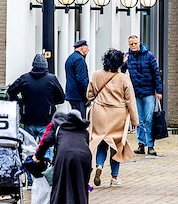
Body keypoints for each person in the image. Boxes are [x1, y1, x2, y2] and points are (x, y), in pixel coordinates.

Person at [33, 108, 92, 204]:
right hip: (84, 158)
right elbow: (86, 143)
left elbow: (45, 141)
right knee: (80, 193)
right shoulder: (82, 128)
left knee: (59, 193)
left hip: (64, 157)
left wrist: (37, 157)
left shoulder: (56, 124)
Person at [86, 49, 139, 188]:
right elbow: (130, 101)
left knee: (101, 141)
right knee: (116, 145)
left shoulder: (96, 75)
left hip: (99, 113)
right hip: (117, 114)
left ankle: (99, 166)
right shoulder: (123, 78)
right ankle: (114, 177)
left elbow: (89, 95)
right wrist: (135, 121)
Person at [6, 53, 66, 141]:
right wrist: (50, 102)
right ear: (46, 65)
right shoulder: (52, 79)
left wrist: (21, 102)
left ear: (33, 65)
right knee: (46, 148)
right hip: (46, 118)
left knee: (28, 148)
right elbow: (61, 98)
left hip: (28, 118)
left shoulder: (25, 78)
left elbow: (10, 92)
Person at [121, 35, 163, 156]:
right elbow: (121, 73)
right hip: (135, 93)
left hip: (149, 92)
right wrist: (123, 63)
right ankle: (141, 144)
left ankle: (150, 145)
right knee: (137, 120)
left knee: (149, 119)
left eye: (135, 43)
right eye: (131, 44)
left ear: (139, 43)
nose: (133, 46)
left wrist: (158, 91)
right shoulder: (127, 57)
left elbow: (156, 74)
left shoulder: (149, 55)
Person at [64, 39, 90, 117]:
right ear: (83, 48)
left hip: (72, 94)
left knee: (74, 118)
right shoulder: (79, 59)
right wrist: (86, 95)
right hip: (79, 96)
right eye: (87, 48)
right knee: (81, 120)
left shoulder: (70, 58)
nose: (88, 50)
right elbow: (82, 79)